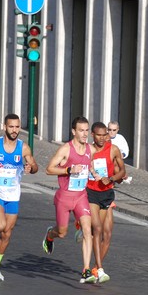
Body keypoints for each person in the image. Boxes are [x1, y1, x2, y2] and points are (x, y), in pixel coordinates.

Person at [0, 114, 38, 281]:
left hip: (13, 193)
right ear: (4, 127)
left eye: (17, 127)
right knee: (1, 225)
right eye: (11, 127)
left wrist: (30, 167)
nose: (15, 130)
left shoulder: (24, 148)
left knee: (8, 233)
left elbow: (35, 166)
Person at [42, 116, 102, 284]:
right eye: (81, 131)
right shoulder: (65, 150)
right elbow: (49, 169)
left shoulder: (90, 149)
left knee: (87, 230)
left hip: (81, 196)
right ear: (74, 131)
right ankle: (49, 234)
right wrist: (69, 169)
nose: (85, 134)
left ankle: (86, 270)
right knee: (62, 232)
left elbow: (88, 165)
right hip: (64, 197)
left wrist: (94, 173)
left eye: (86, 130)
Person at [82, 122, 126, 283]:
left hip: (107, 193)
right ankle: (99, 269)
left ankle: (94, 266)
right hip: (90, 192)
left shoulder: (113, 149)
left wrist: (112, 178)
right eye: (99, 135)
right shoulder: (87, 150)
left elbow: (122, 171)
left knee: (105, 234)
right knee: (98, 229)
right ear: (93, 135)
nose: (102, 138)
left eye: (105, 134)